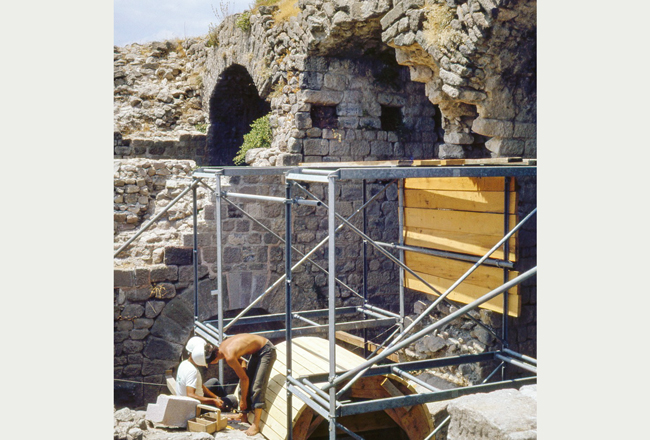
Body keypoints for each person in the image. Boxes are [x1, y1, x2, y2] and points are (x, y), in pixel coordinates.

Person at [208, 333, 276, 436]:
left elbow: (244, 379)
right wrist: (245, 376)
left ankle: (255, 425)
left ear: (214, 360)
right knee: (244, 383)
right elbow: (242, 363)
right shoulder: (222, 347)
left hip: (266, 350)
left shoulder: (229, 357)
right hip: (256, 351)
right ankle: (243, 415)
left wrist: (243, 400)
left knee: (257, 386)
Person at [175, 337, 224, 408]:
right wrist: (213, 401)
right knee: (232, 400)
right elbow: (190, 395)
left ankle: (221, 400)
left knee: (214, 381)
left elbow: (200, 385)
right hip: (196, 406)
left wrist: (216, 397)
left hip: (186, 399)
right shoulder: (192, 371)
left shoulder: (184, 363)